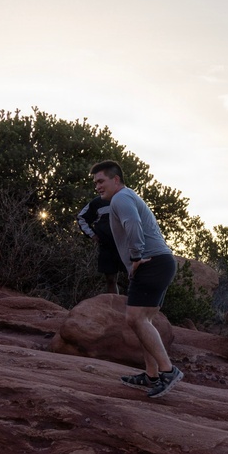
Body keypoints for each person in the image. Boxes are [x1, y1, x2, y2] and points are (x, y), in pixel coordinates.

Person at [90, 160, 183, 399]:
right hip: (161, 262)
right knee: (144, 320)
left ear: (116, 179)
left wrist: (136, 256)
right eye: (95, 183)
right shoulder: (126, 197)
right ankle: (151, 375)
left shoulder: (121, 198)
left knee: (135, 318)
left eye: (101, 181)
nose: (98, 187)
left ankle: (168, 371)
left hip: (151, 262)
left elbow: (133, 224)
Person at [76, 195, 126, 294]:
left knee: (134, 278)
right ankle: (113, 306)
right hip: (107, 247)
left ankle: (136, 307)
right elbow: (81, 218)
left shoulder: (126, 198)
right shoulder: (97, 202)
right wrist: (92, 235)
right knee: (110, 280)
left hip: (126, 245)